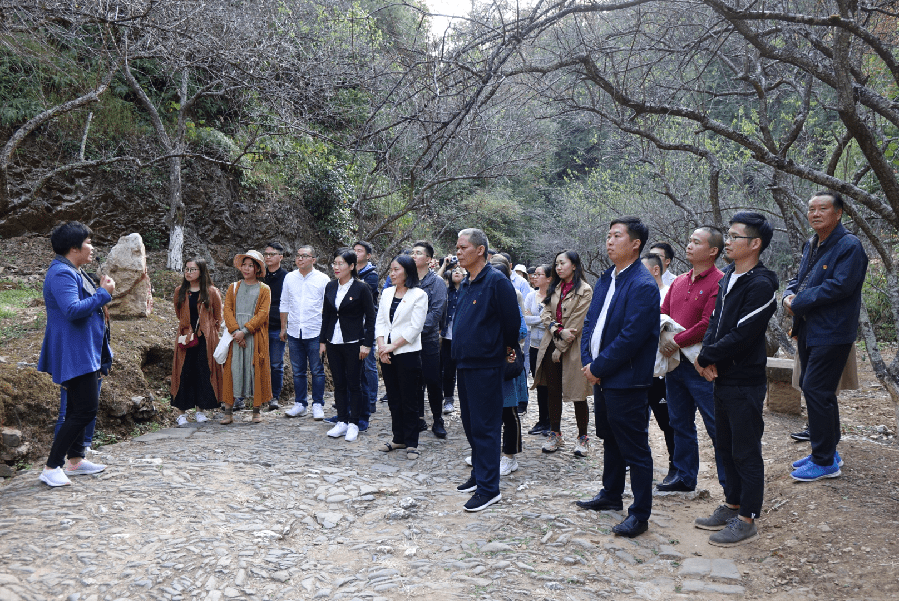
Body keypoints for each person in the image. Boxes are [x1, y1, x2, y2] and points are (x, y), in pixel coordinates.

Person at [693, 212, 778, 546]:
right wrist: (706, 357)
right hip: (723, 376)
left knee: (746, 450)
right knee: (726, 446)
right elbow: (715, 322)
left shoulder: (762, 284)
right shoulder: (728, 275)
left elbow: (744, 334)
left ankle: (747, 519)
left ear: (754, 244)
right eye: (727, 235)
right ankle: (732, 504)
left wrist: (706, 357)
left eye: (734, 236)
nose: (727, 241)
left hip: (745, 380)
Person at [575, 217, 659, 539]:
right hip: (602, 376)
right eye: (608, 235)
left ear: (635, 244)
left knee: (635, 448)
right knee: (610, 437)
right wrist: (588, 361)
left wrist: (598, 367)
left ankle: (639, 514)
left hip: (627, 379)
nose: (609, 241)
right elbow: (590, 323)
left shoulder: (642, 284)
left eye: (617, 236)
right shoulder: (606, 278)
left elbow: (631, 337)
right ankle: (611, 494)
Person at [783, 191, 868, 481]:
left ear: (839, 213)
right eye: (811, 209)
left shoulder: (849, 245)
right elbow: (799, 279)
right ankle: (828, 452)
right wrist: (787, 296)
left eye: (823, 208)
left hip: (833, 330)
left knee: (817, 389)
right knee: (818, 391)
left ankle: (824, 462)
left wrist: (799, 301)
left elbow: (840, 286)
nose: (815, 214)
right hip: (809, 327)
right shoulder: (812, 243)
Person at [38, 221, 113, 486]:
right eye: (88, 243)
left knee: (77, 408)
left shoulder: (74, 270)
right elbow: (71, 310)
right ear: (74, 248)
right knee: (84, 410)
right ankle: (51, 467)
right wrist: (103, 294)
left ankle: (75, 460)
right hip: (74, 352)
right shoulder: (61, 273)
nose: (92, 248)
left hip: (84, 349)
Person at [452, 228, 520, 512]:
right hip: (465, 364)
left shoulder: (496, 282)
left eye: (463, 247)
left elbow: (511, 323)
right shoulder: (468, 282)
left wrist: (502, 350)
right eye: (457, 247)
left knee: (486, 427)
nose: (458, 252)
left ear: (480, 250)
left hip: (486, 365)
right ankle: (479, 474)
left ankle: (490, 489)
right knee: (470, 424)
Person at [656, 226, 727, 493]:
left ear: (713, 251)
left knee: (716, 425)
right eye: (689, 241)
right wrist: (666, 339)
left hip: (702, 365)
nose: (689, 246)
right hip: (675, 364)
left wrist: (676, 341)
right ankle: (685, 477)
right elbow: (663, 313)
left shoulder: (720, 281)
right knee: (679, 422)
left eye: (696, 242)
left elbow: (708, 323)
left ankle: (729, 485)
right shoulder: (679, 281)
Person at [533, 250, 593, 456]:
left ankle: (583, 437)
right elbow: (545, 313)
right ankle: (555, 433)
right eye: (556, 264)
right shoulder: (555, 287)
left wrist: (560, 347)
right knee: (552, 391)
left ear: (574, 266)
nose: (558, 268)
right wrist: (557, 330)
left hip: (573, 347)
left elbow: (577, 322)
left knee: (578, 393)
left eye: (563, 263)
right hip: (552, 343)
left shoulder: (585, 290)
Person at [320, 248, 376, 442]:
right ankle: (342, 420)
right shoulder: (330, 286)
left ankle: (354, 422)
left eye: (340, 264)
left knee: (354, 383)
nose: (336, 267)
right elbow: (326, 315)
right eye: (334, 263)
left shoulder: (362, 288)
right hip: (333, 341)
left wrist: (367, 344)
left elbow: (371, 318)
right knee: (339, 383)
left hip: (353, 342)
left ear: (351, 266)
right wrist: (322, 341)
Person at [375, 255, 428, 460]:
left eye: (396, 269)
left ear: (407, 271)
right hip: (387, 352)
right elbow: (380, 322)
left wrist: (392, 346)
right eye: (391, 269)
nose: (392, 273)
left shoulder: (419, 295)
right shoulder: (387, 292)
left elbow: (415, 327)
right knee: (393, 398)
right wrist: (382, 347)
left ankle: (412, 441)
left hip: (407, 353)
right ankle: (398, 437)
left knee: (409, 399)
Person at [221, 250, 272, 424]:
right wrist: (236, 331)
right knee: (231, 370)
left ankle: (256, 410)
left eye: (251, 266)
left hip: (255, 336)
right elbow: (227, 310)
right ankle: (228, 411)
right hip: (235, 335)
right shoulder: (233, 287)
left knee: (255, 369)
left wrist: (245, 330)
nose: (246, 268)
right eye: (244, 265)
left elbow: (263, 313)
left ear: (257, 269)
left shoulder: (264, 289)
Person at [170, 257, 223, 425]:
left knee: (203, 372)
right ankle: (181, 414)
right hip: (185, 337)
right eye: (186, 269)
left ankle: (200, 411)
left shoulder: (211, 291)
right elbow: (179, 313)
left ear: (201, 271)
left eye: (192, 269)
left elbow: (218, 316)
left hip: (205, 339)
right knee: (183, 372)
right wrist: (187, 328)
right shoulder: (180, 291)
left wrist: (209, 331)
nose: (188, 272)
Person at [281, 245, 329, 420]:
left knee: (317, 370)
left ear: (313, 260)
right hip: (294, 331)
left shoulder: (323, 279)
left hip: (315, 330)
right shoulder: (289, 277)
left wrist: (325, 334)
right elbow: (284, 303)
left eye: (304, 256)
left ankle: (318, 404)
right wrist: (283, 327)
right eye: (298, 255)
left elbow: (328, 308)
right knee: (298, 371)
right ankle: (300, 404)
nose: (300, 259)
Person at [640, 253, 676, 484]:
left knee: (667, 421)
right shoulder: (635, 295)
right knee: (636, 419)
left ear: (655, 270)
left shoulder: (668, 294)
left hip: (661, 370)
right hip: (637, 369)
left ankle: (675, 465)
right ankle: (638, 462)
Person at [410, 240, 448, 439]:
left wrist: (414, 330)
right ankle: (418, 418)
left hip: (428, 339)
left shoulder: (437, 282)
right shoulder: (407, 280)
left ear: (429, 259)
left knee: (433, 381)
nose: (414, 255)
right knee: (414, 380)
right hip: (408, 340)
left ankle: (437, 419)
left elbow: (436, 312)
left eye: (418, 253)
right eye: (412, 252)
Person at [355, 240, 380, 427]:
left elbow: (362, 297)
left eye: (360, 250)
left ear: (368, 255)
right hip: (350, 324)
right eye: (354, 250)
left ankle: (371, 399)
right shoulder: (349, 271)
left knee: (369, 364)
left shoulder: (371, 275)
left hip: (366, 323)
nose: (356, 253)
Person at [524, 263, 551, 435]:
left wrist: (538, 319)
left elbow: (554, 320)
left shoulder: (555, 296)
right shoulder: (530, 296)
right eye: (534, 274)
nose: (535, 277)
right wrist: (543, 319)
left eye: (539, 274)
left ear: (549, 278)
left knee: (551, 385)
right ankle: (542, 420)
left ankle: (552, 422)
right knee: (539, 383)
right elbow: (526, 319)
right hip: (534, 345)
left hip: (550, 345)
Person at [262, 242, 288, 411]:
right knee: (257, 362)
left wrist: (284, 327)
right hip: (259, 326)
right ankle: (258, 395)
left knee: (276, 364)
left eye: (272, 254)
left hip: (277, 326)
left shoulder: (287, 277)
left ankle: (274, 397)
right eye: (266, 254)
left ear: (281, 257)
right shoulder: (260, 276)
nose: (268, 257)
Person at [440, 264, 465, 414]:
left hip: (465, 339)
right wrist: (444, 265)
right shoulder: (446, 291)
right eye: (454, 270)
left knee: (463, 372)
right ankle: (448, 400)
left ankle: (466, 402)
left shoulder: (469, 290)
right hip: (447, 338)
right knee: (448, 372)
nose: (457, 272)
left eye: (460, 270)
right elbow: (436, 278)